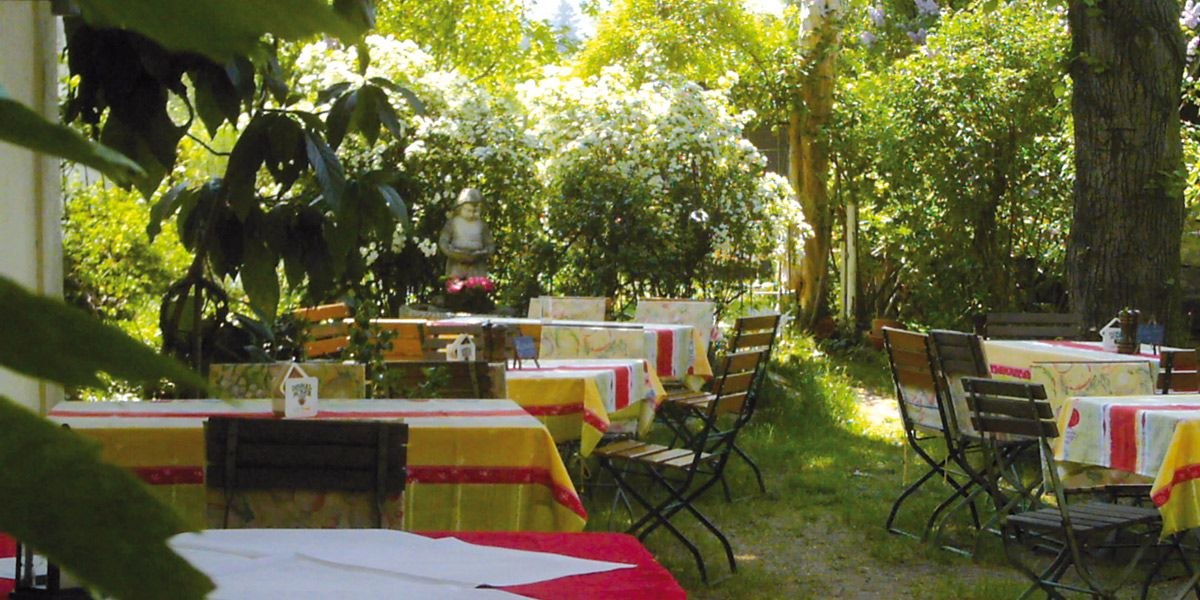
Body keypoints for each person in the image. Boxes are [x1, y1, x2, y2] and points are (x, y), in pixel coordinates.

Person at [438, 188, 494, 279]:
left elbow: (490, 244)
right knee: (455, 286)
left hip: (477, 265)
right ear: (460, 209)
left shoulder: (482, 225)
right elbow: (443, 241)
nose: (472, 214)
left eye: (476, 211)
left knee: (477, 288)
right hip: (456, 263)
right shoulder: (453, 223)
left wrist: (484, 253)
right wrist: (452, 252)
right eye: (469, 210)